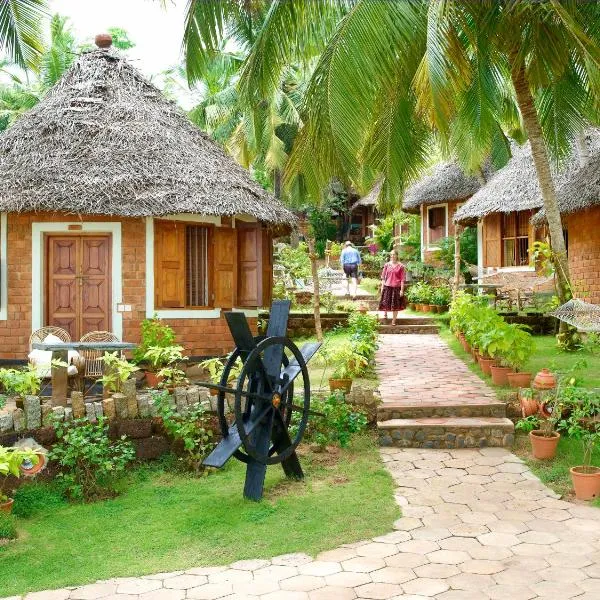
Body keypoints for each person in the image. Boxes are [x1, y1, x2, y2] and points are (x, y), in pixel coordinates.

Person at [379, 249, 406, 324]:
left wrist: (402, 290)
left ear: (397, 256)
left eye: (394, 254)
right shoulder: (387, 265)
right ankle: (385, 313)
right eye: (391, 255)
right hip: (387, 286)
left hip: (396, 287)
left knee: (396, 305)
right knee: (385, 302)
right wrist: (382, 287)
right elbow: (383, 277)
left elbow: (402, 279)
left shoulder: (401, 266)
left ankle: (393, 320)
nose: (392, 256)